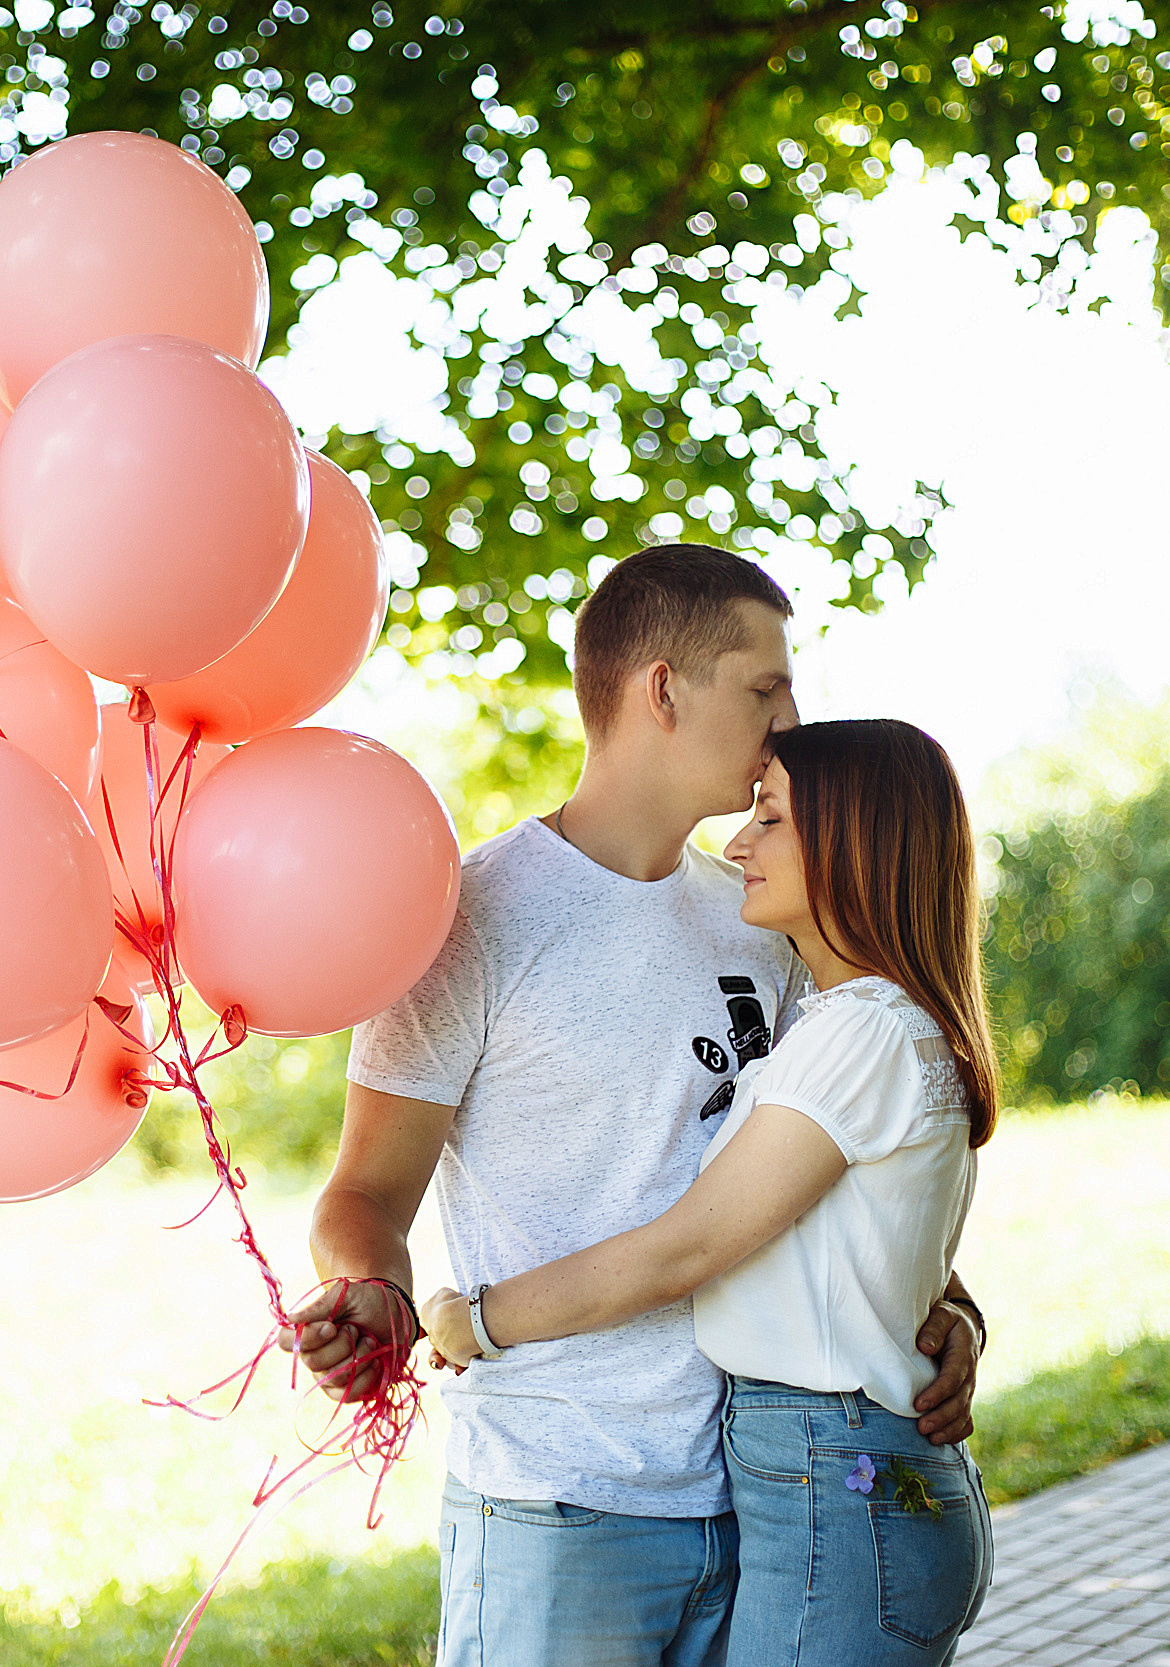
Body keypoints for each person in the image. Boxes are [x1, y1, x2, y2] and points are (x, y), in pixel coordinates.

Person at [285, 547, 985, 1667]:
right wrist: (374, 1289)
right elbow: (364, 1191)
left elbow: (848, 1162)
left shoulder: (765, 915)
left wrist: (946, 1310)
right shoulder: (472, 918)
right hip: (564, 1503)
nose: (791, 719)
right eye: (765, 688)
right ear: (663, 689)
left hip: (767, 1501)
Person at [423, 719, 1000, 1665]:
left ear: (857, 842)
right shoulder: (855, 1020)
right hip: (832, 1479)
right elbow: (873, 1234)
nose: (737, 843)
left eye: (769, 819)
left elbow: (688, 1247)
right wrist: (957, 1314)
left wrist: (475, 1320)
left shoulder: (860, 1033)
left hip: (834, 1480)